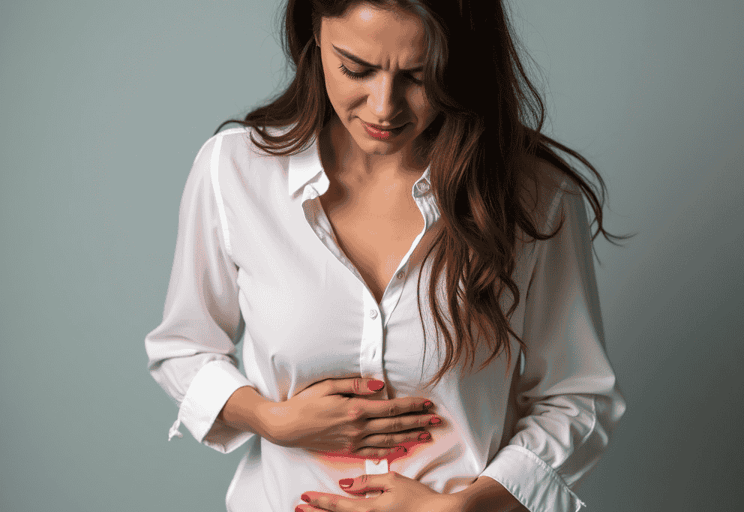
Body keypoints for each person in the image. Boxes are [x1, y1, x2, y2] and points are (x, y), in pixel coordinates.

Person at [145, 0, 627, 511]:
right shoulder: (235, 172)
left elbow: (576, 397)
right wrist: (268, 418)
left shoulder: (534, 195)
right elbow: (183, 348)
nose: (384, 107)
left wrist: (466, 506)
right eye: (357, 68)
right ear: (314, 34)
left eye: (421, 76)